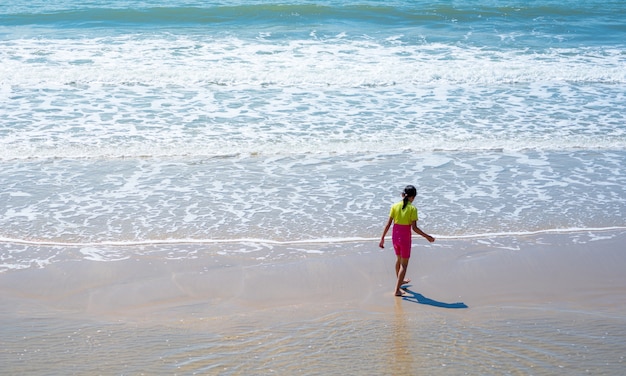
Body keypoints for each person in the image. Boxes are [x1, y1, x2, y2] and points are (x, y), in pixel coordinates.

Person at [379, 185, 435, 296]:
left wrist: (382, 238)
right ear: (413, 197)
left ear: (403, 194)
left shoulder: (395, 206)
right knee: (404, 265)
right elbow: (414, 228)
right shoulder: (412, 209)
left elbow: (388, 224)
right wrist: (427, 236)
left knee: (398, 260)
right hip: (405, 239)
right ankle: (397, 290)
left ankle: (400, 281)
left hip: (395, 237)